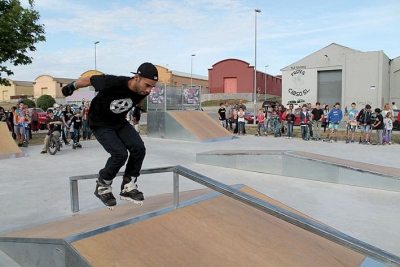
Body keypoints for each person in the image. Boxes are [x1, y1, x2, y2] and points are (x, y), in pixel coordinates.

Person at [61, 62, 158, 209]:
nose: (149, 90)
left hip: (119, 122)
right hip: (100, 123)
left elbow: (139, 99)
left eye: (152, 87)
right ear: (137, 77)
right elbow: (88, 79)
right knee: (119, 153)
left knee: (138, 148)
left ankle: (128, 185)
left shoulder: (143, 90)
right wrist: (72, 86)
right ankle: (103, 185)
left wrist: (137, 111)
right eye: (147, 85)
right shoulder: (113, 82)